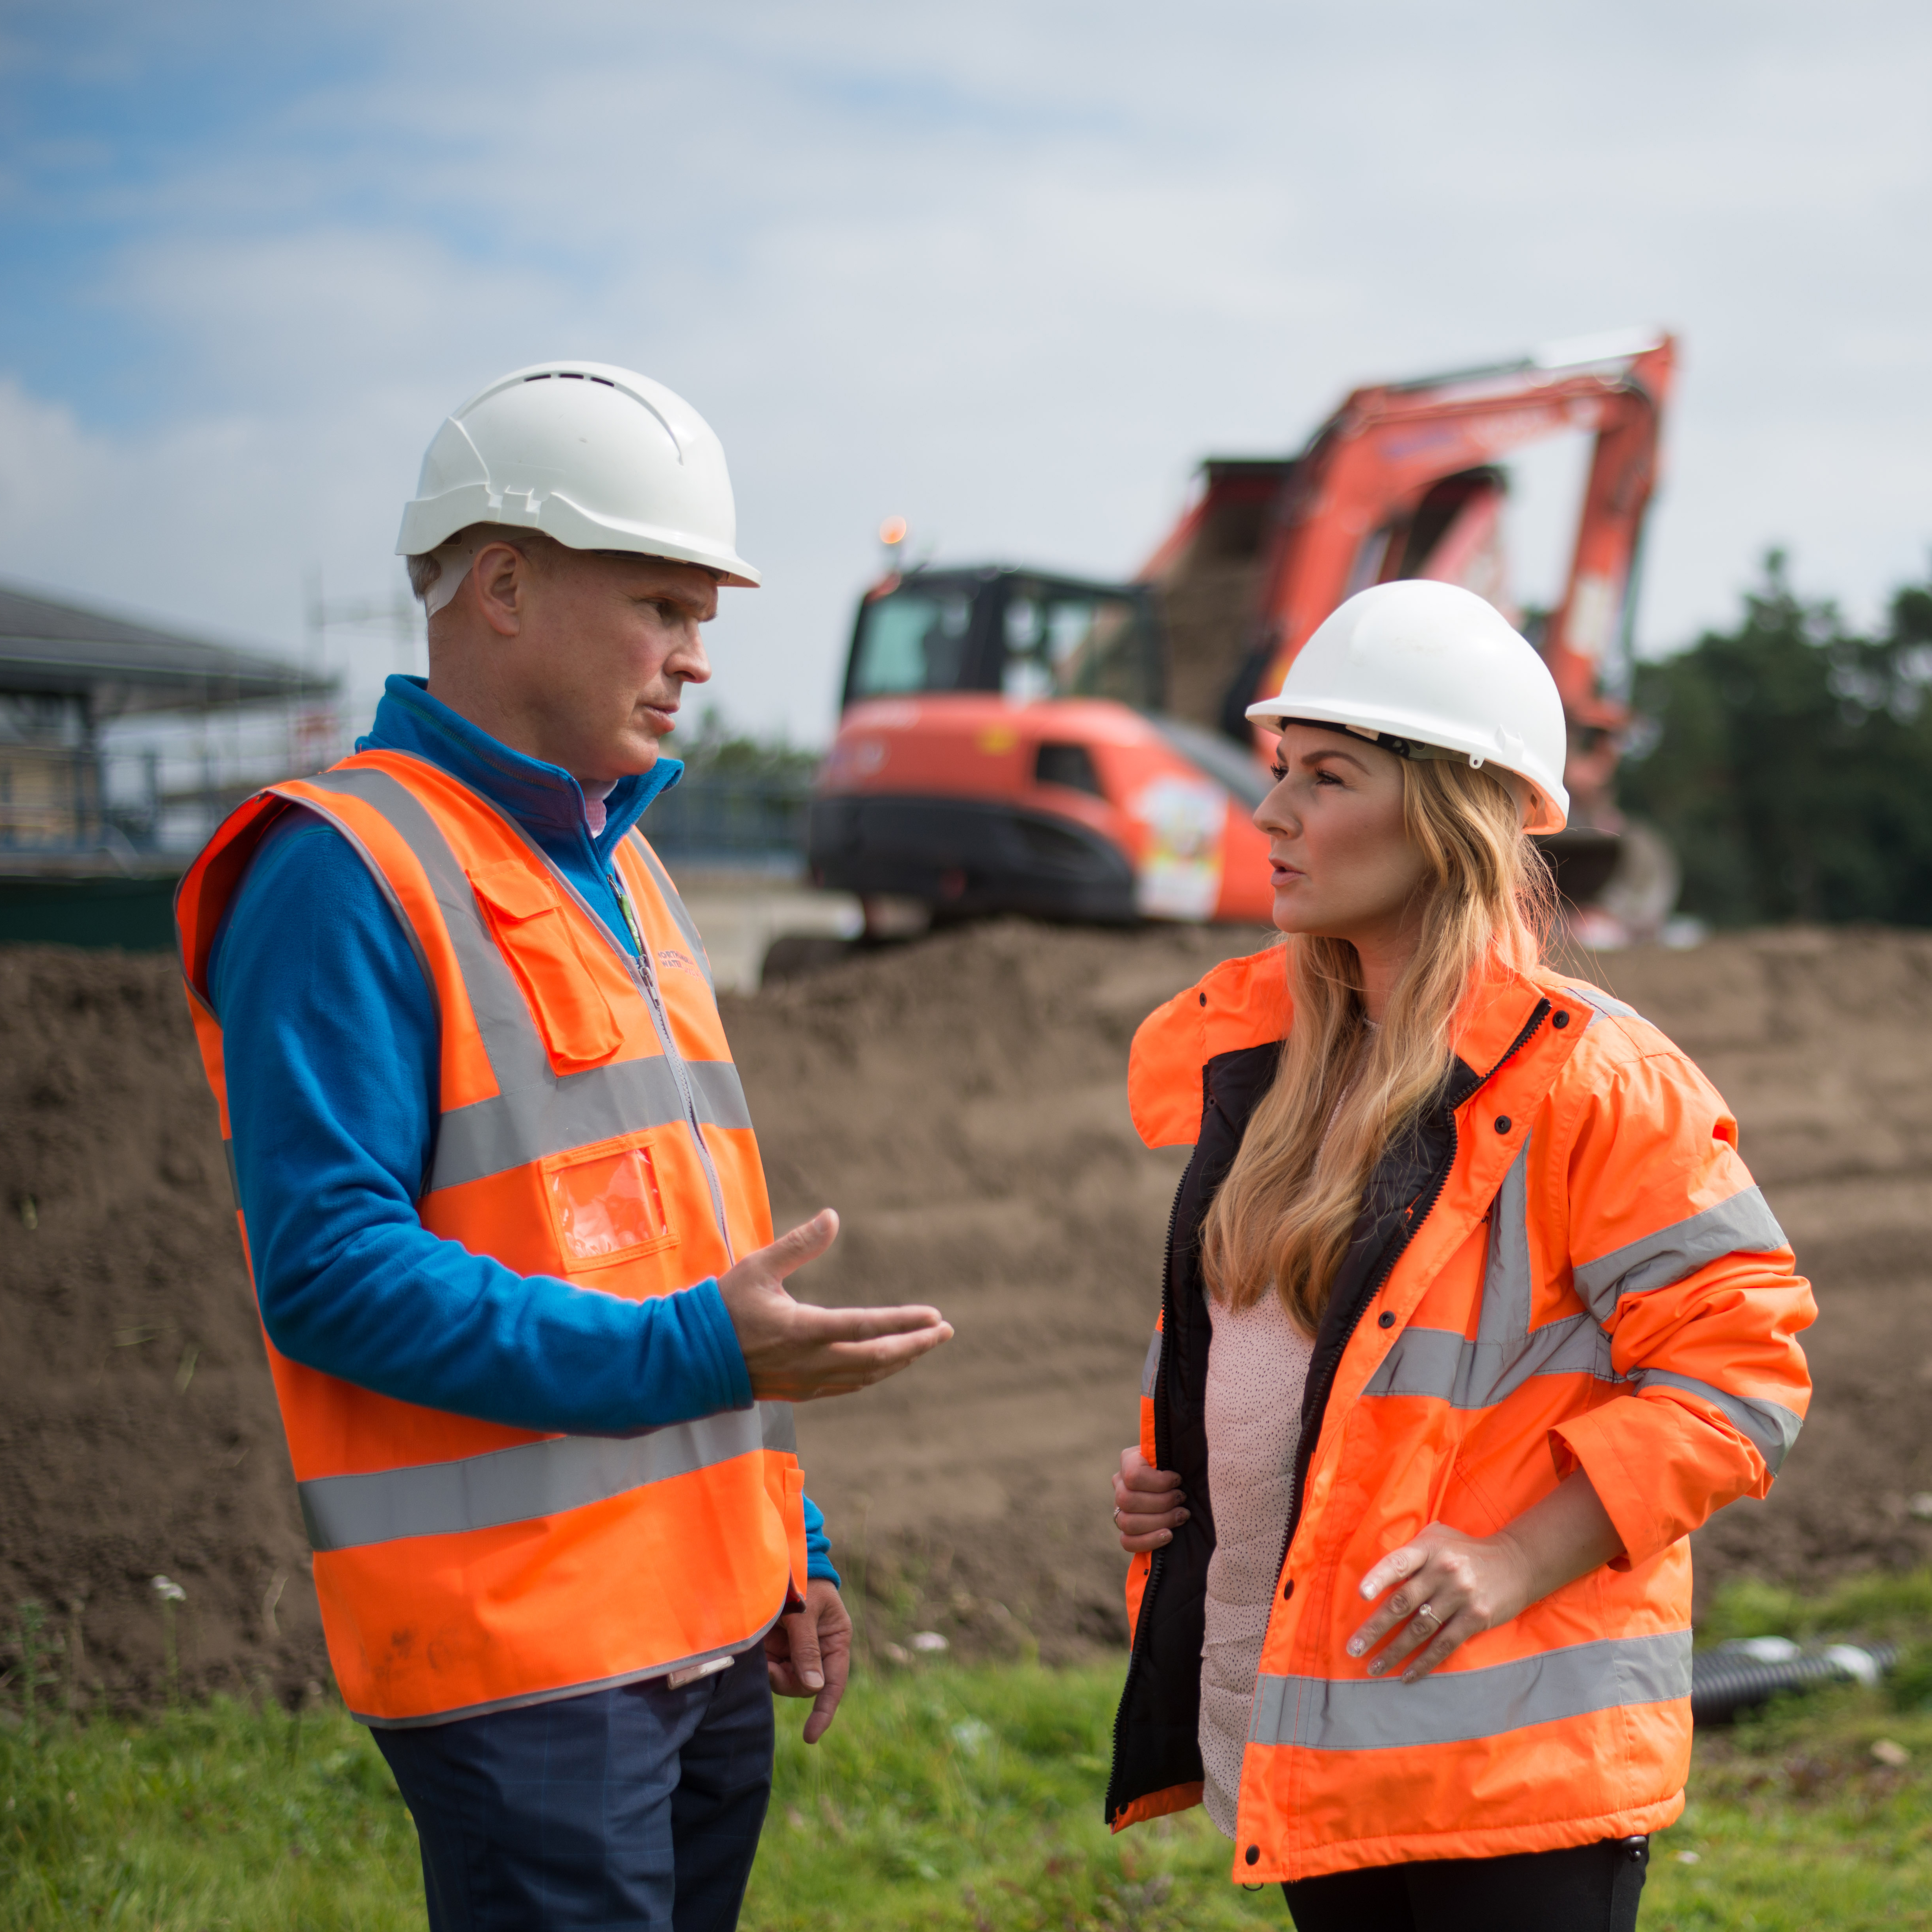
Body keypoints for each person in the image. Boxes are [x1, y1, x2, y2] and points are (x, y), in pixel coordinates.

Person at [175, 360, 953, 1931]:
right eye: (662, 605)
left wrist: (783, 1540)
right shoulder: (342, 869)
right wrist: (691, 1357)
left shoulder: (634, 869)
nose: (691, 659)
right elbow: (328, 1271)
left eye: (701, 621)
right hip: (528, 1663)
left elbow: (693, 1249)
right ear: (507, 585)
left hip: (706, 1622)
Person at [1104, 579, 1814, 1930]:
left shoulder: (1592, 1079)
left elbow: (1745, 1372)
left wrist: (1517, 1559)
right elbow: (1297, 1358)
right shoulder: (1275, 1065)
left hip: (1508, 1789)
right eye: (1280, 773)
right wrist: (1188, 1475)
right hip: (1325, 1757)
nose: (1272, 815)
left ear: (1445, 814)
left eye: (1329, 776)